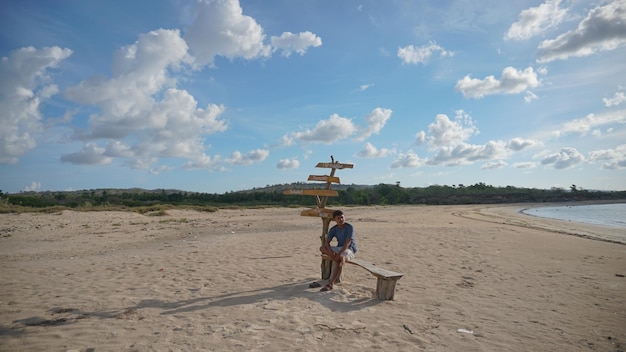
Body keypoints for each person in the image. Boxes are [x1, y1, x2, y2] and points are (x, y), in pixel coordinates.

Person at [319, 210, 357, 292]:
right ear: (334, 219)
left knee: (341, 258)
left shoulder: (349, 227)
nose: (341, 219)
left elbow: (348, 242)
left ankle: (331, 283)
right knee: (322, 248)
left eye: (342, 217)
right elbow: (327, 243)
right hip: (339, 247)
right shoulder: (334, 229)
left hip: (349, 249)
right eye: (338, 218)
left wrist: (338, 254)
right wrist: (332, 254)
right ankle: (335, 257)